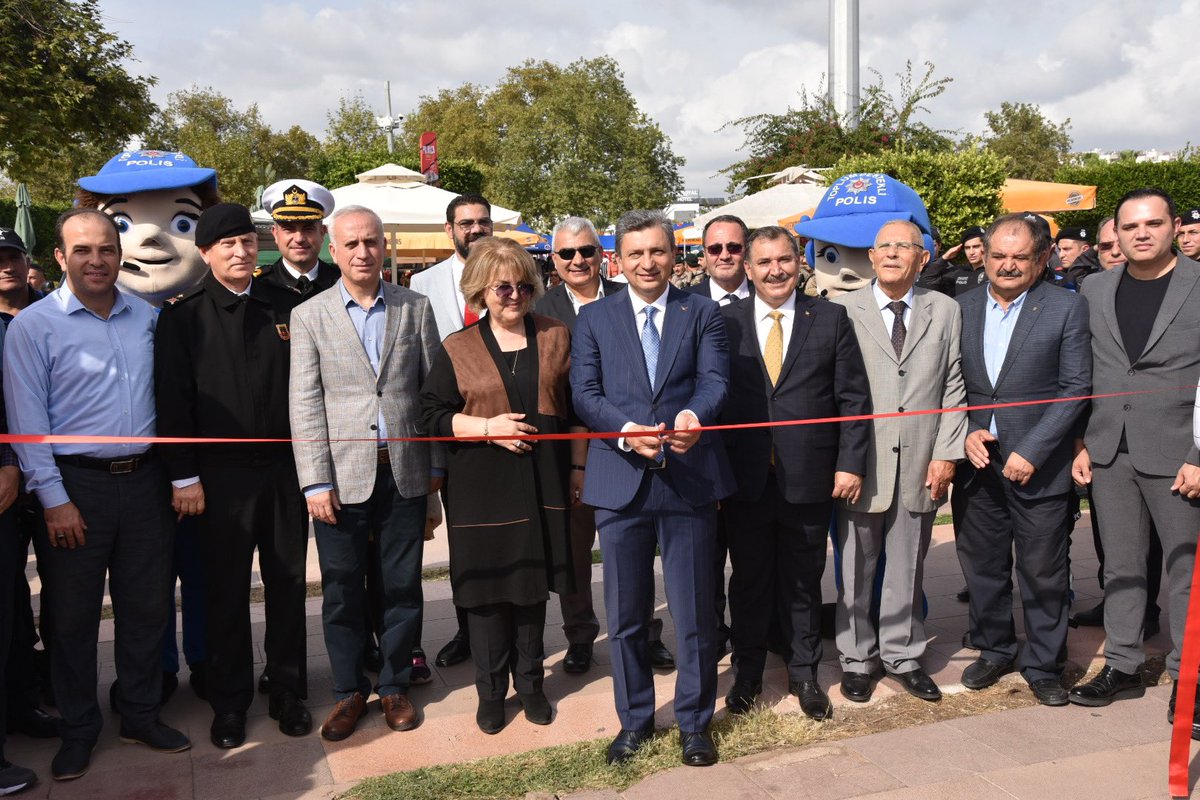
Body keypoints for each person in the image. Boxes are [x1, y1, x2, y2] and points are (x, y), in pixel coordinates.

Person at [4, 209, 190, 780]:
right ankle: (80, 727)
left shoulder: (150, 318)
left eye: (106, 249)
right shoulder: (34, 327)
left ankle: (138, 712)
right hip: (73, 486)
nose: (96, 260)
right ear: (60, 258)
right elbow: (27, 422)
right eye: (82, 250)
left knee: (147, 607)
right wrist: (54, 498)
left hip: (145, 483)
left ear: (120, 254)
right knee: (72, 618)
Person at [571, 210, 735, 768]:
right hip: (621, 483)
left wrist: (693, 415)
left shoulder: (704, 313)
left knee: (693, 613)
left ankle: (694, 723)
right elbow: (585, 392)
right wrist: (623, 432)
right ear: (618, 258)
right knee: (627, 615)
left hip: (689, 479)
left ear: (674, 255)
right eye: (636, 253)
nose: (648, 263)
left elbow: (716, 381)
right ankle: (634, 721)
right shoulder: (594, 318)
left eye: (658, 252)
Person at [154, 203, 312, 749]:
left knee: (289, 585)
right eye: (228, 245)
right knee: (223, 593)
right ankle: (229, 702)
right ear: (205, 253)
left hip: (286, 472)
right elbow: (172, 404)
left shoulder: (288, 306)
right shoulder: (183, 316)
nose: (242, 252)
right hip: (218, 482)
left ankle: (289, 691)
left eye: (248, 242)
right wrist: (183, 478)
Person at [289, 206, 443, 741]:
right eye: (351, 243)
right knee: (341, 590)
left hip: (404, 471)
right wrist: (314, 481)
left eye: (371, 242)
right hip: (340, 478)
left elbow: (431, 395)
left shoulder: (415, 308)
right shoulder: (310, 315)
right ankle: (349, 690)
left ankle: (396, 683)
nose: (362, 252)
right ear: (334, 250)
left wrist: (436, 472)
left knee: (402, 584)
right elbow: (305, 403)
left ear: (384, 247)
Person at [421, 236, 574, 734]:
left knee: (531, 590)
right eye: (501, 287)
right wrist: (487, 428)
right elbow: (431, 415)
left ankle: (530, 684)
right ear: (479, 293)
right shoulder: (457, 347)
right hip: (479, 487)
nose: (514, 295)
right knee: (487, 595)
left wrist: (578, 469)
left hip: (542, 482)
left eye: (523, 286)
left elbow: (574, 410)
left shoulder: (555, 335)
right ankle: (490, 692)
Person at [718, 226, 871, 719]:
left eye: (783, 259)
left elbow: (853, 398)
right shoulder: (724, 323)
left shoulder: (830, 318)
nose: (775, 270)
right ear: (748, 268)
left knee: (804, 580)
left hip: (810, 476)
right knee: (748, 582)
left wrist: (850, 463)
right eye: (763, 263)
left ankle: (805, 674)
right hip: (745, 480)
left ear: (798, 261)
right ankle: (747, 674)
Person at [1069, 189, 1200, 733]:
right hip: (1108, 449)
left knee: (1185, 571)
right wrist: (1081, 441)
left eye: (1152, 223)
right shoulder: (1093, 288)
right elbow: (1081, 370)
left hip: (1179, 456)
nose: (1140, 233)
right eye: (1129, 226)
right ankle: (1123, 663)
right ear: (1116, 235)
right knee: (1120, 566)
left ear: (1173, 227)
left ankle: (1188, 678)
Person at [955, 213, 1091, 707]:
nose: (1007, 265)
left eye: (1020, 256)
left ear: (1041, 259)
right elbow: (953, 386)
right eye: (998, 255)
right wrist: (965, 431)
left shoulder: (1065, 309)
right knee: (984, 567)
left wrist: (1032, 450)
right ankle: (995, 648)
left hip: (1040, 465)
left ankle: (1045, 664)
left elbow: (1075, 388)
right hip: (977, 466)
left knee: (1043, 570)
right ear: (985, 256)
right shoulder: (961, 306)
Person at [831, 220, 966, 703]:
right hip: (861, 464)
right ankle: (856, 658)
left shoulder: (945, 310)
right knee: (854, 568)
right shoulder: (842, 310)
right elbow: (835, 393)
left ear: (922, 258)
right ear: (870, 257)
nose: (892, 254)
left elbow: (954, 386)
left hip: (922, 462)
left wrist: (947, 453)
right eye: (883, 246)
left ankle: (903, 655)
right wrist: (843, 460)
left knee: (908, 565)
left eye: (903, 246)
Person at [534, 217, 676, 674]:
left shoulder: (630, 294)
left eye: (587, 251)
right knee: (576, 551)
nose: (578, 261)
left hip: (632, 450)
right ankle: (580, 636)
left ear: (603, 255)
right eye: (567, 254)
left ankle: (646, 635)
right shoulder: (539, 310)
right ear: (553, 260)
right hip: (570, 451)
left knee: (637, 549)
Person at [410, 192, 494, 670]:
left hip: (506, 426)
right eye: (466, 223)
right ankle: (468, 631)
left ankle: (514, 630)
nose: (475, 230)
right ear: (450, 230)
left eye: (483, 222)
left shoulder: (511, 273)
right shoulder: (422, 284)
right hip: (451, 431)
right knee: (462, 539)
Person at [686, 214, 752, 658]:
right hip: (697, 458)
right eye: (715, 249)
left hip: (755, 458)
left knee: (752, 561)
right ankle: (709, 639)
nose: (725, 255)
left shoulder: (780, 298)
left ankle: (756, 638)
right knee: (701, 563)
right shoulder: (682, 305)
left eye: (734, 247)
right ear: (703, 255)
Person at [257, 179, 339, 299]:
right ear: (275, 234)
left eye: (308, 229)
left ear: (322, 232)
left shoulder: (342, 281)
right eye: (289, 229)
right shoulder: (257, 286)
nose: (299, 238)